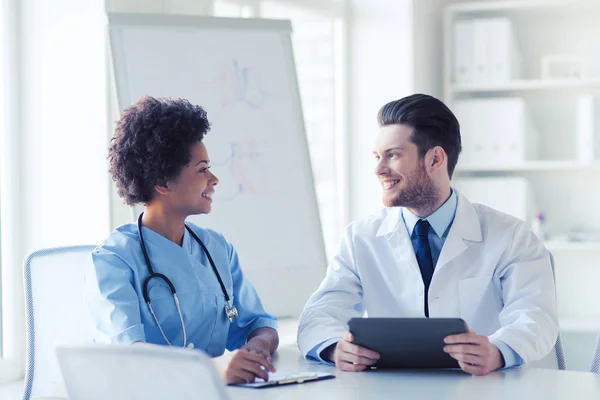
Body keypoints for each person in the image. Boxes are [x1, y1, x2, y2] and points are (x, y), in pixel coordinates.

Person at [297, 94, 558, 376]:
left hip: (481, 388)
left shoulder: (510, 235)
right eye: (377, 156)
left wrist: (498, 351)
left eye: (393, 155)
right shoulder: (360, 237)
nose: (379, 169)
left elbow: (536, 316)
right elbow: (318, 314)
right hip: (389, 390)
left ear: (435, 159)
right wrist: (336, 348)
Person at [85, 96, 279, 384]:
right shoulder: (113, 261)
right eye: (202, 169)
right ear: (163, 182)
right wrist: (211, 370)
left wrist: (256, 348)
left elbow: (259, 323)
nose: (214, 179)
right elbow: (129, 357)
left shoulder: (217, 249)